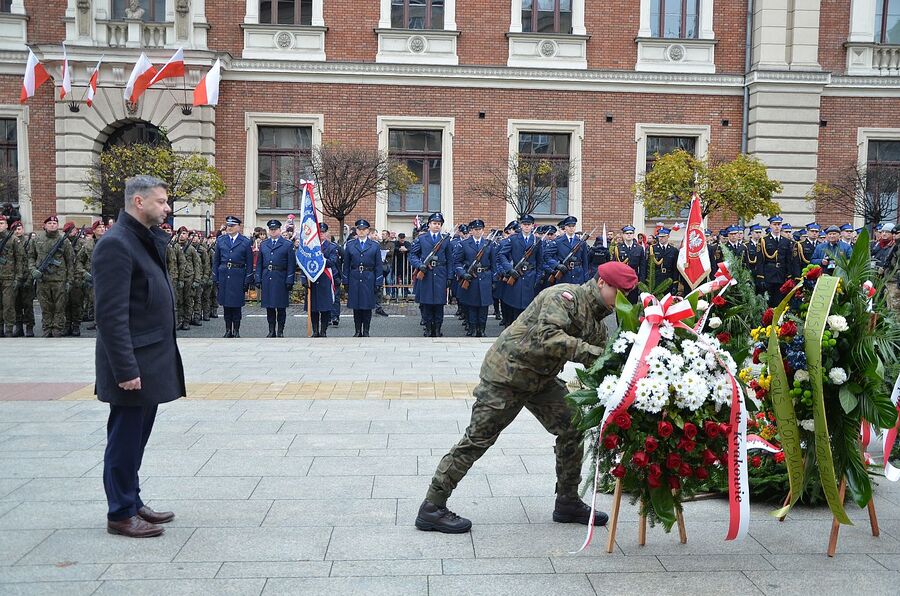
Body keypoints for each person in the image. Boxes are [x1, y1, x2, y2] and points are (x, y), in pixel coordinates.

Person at [416, 261, 639, 533]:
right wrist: (597, 355)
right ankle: (432, 506)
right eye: (619, 291)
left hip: (540, 380)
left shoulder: (596, 320)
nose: (623, 299)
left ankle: (567, 501)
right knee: (478, 439)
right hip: (507, 375)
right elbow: (549, 337)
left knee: (573, 426)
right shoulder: (565, 297)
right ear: (602, 283)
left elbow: (602, 360)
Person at [93, 175, 185, 538]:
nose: (167, 208)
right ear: (139, 202)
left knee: (137, 437)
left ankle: (131, 500)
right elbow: (110, 315)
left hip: (149, 359)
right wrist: (125, 369)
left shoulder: (140, 240)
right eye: (162, 202)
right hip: (133, 364)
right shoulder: (116, 244)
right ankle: (119, 512)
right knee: (125, 437)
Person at [27, 215, 74, 337]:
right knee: (45, 307)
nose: (52, 225)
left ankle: (57, 330)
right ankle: (47, 330)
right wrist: (33, 270)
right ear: (44, 225)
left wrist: (69, 281)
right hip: (43, 280)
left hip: (59, 280)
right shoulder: (36, 239)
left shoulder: (65, 241)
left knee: (59, 307)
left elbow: (70, 262)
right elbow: (31, 257)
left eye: (55, 223)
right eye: (50, 223)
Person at [410, 212, 452, 338]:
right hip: (426, 274)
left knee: (439, 304)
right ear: (429, 225)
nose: (437, 226)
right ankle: (428, 329)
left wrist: (449, 276)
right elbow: (412, 255)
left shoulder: (445, 240)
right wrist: (419, 265)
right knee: (427, 303)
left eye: (439, 224)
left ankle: (437, 329)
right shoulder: (422, 239)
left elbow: (450, 259)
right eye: (434, 223)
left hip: (440, 273)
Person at [497, 214, 545, 325]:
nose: (527, 227)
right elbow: (502, 255)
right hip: (516, 276)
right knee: (514, 308)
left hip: (530, 277)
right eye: (524, 224)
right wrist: (509, 269)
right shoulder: (513, 239)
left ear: (533, 226)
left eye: (529, 224)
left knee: (528, 310)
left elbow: (540, 262)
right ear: (521, 225)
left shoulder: (537, 241)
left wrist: (537, 278)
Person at [213, 216, 254, 338]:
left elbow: (249, 263)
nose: (229, 228)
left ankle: (236, 330)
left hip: (238, 275)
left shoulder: (245, 242)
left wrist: (248, 279)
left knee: (236, 305)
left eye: (232, 226)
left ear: (238, 227)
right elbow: (216, 261)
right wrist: (215, 277)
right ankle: (227, 330)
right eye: (228, 226)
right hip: (224, 275)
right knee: (226, 305)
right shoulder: (221, 240)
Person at [255, 219, 296, 338]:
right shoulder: (264, 244)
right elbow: (259, 264)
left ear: (279, 230)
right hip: (268, 277)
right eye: (271, 230)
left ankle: (280, 331)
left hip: (280, 277)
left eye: (275, 229)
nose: (273, 232)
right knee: (270, 307)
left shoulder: (287, 244)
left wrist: (289, 280)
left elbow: (291, 265)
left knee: (281, 307)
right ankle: (271, 330)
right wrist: (258, 278)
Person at [298, 222, 339, 338]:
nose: (321, 234)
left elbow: (332, 262)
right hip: (312, 279)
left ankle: (323, 331)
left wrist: (318, 260)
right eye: (319, 232)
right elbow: (303, 263)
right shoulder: (309, 246)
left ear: (327, 233)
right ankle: (315, 331)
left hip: (325, 279)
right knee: (314, 307)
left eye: (323, 232)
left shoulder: (332, 247)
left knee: (325, 307)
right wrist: (304, 279)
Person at [343, 219, 383, 337]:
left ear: (368, 231)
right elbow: (346, 265)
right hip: (355, 276)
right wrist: (346, 280)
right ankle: (357, 330)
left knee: (367, 306)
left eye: (364, 229)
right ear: (356, 230)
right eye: (359, 229)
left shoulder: (374, 246)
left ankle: (366, 331)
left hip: (369, 277)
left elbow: (378, 266)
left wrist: (378, 281)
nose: (361, 232)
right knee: (356, 306)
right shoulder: (350, 245)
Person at [454, 219, 494, 337]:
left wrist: (493, 280)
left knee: (483, 306)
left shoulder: (488, 244)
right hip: (470, 278)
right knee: (471, 305)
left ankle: (481, 329)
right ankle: (471, 329)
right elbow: (457, 262)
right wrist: (462, 273)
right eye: (476, 229)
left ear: (483, 230)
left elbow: (493, 264)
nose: (478, 232)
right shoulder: (464, 244)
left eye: (480, 229)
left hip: (485, 277)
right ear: (471, 231)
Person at [75, 220, 107, 332]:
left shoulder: (110, 242)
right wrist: (84, 273)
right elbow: (79, 260)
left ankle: (106, 323)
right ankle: (97, 322)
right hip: (93, 277)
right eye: (99, 227)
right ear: (94, 230)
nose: (102, 229)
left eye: (103, 227)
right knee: (95, 301)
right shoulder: (88, 245)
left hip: (108, 277)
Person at [759, 215, 795, 307]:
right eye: (774, 224)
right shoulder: (764, 240)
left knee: (779, 301)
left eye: (779, 224)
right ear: (770, 226)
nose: (777, 227)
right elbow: (760, 260)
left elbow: (788, 260)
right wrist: (761, 276)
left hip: (781, 274)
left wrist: (789, 275)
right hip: (768, 274)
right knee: (768, 301)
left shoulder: (786, 241)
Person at [0, 215, 24, 337]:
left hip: (9, 277)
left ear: (6, 225)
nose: (0, 226)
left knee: (8, 304)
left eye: (2, 223)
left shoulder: (13, 239)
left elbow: (20, 259)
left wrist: (18, 277)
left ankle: (9, 328)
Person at [611, 225, 644, 302]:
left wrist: (641, 282)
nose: (629, 235)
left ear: (633, 235)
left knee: (633, 303)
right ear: (623, 235)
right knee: (620, 304)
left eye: (631, 233)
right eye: (626, 233)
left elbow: (642, 266)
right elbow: (614, 266)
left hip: (633, 280)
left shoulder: (639, 248)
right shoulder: (618, 248)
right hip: (621, 280)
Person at [174, 226, 198, 331]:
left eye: (184, 233)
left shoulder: (191, 248)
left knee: (188, 299)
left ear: (187, 235)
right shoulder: (174, 247)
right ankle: (180, 320)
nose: (182, 235)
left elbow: (197, 264)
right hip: (179, 277)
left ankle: (187, 321)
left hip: (189, 277)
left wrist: (197, 280)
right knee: (179, 300)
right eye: (180, 233)